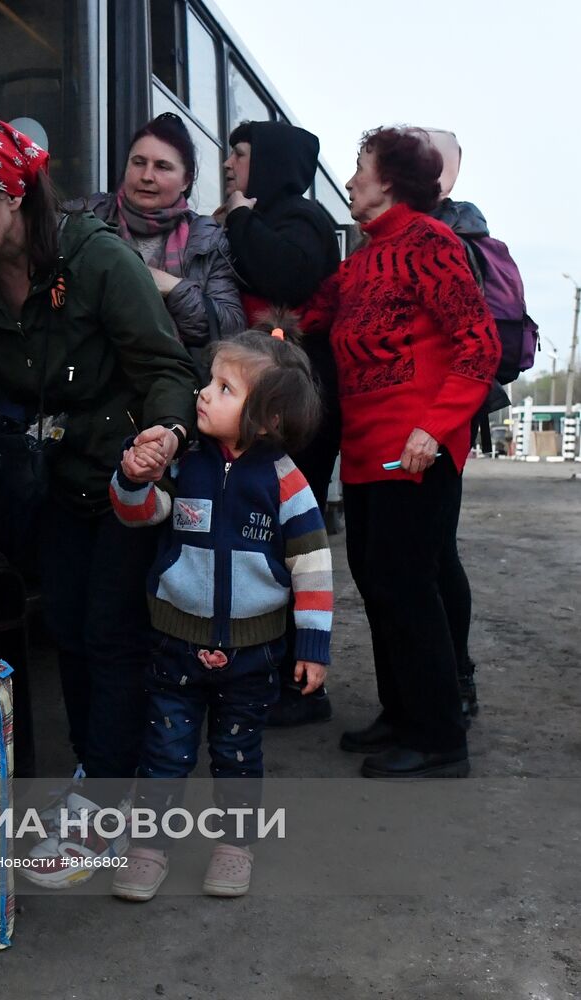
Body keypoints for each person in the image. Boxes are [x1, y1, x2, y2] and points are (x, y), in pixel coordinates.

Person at [0, 118, 198, 884]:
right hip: (62, 480)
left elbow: (165, 366)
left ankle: (105, 795)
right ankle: (101, 772)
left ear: (11, 194)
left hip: (132, 483)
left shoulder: (98, 258)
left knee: (110, 631)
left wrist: (163, 437)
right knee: (63, 624)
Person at [300, 127, 499, 780]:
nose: (351, 179)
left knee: (410, 588)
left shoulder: (430, 243)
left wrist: (434, 429)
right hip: (364, 451)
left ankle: (440, 736)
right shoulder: (362, 256)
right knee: (379, 583)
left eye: (360, 168)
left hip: (416, 452)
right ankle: (402, 712)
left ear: (389, 180)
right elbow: (312, 319)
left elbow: (477, 344)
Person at [108, 325, 330, 900]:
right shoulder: (187, 463)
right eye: (209, 381)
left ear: (269, 419)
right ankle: (149, 848)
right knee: (163, 752)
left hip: (254, 654)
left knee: (237, 756)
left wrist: (312, 647)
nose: (203, 394)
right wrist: (133, 479)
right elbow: (141, 515)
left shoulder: (288, 485)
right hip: (175, 644)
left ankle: (235, 848)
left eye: (224, 388)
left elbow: (312, 569)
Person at [214, 121, 342, 728]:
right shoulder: (275, 213)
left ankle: (302, 686)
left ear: (269, 161)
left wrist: (239, 218)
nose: (230, 165)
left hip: (296, 405)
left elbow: (286, 276)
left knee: (290, 543)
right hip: (267, 400)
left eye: (239, 154)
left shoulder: (304, 218)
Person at [67, 112, 245, 379]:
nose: (147, 176)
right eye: (138, 162)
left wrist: (171, 287)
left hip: (172, 390)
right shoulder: (86, 217)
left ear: (186, 180)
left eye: (162, 166)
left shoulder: (207, 238)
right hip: (85, 384)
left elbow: (230, 327)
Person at [425, 127, 501, 724]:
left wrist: (439, 418)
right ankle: (448, 679)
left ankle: (456, 678)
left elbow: (469, 344)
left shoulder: (451, 238)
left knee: (434, 553)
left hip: (442, 419)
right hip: (434, 417)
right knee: (432, 552)